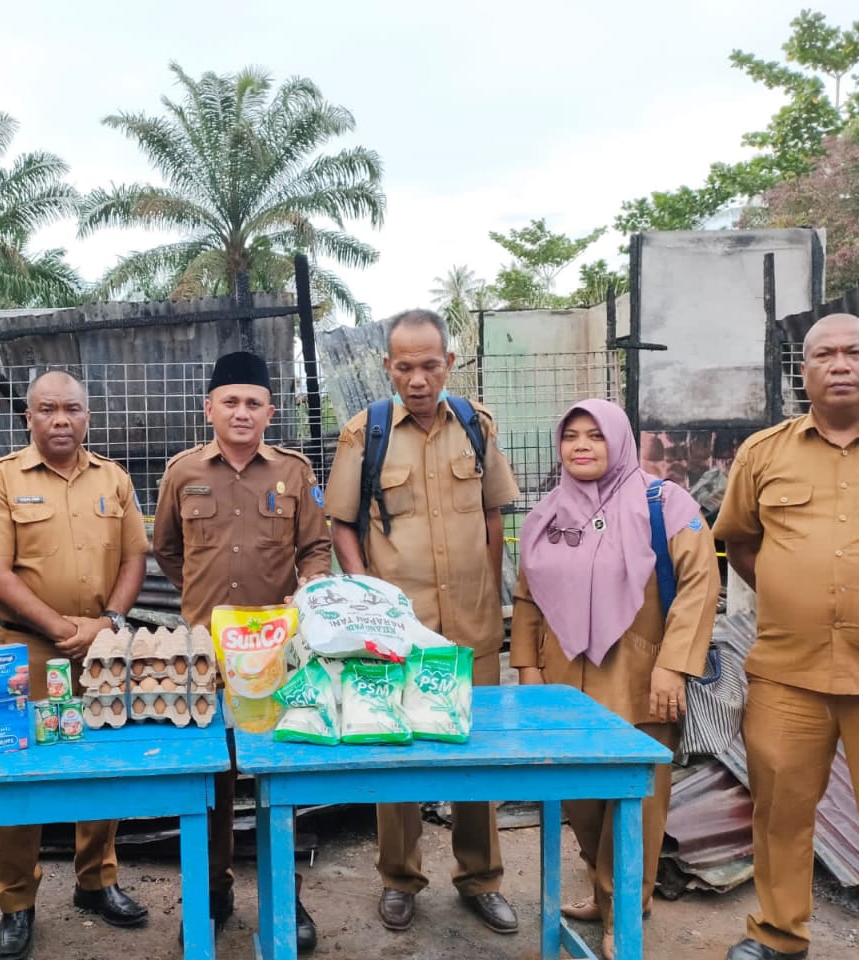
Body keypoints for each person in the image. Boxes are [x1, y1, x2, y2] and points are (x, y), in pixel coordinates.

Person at [322, 308, 521, 936]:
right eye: (404, 366)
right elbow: (341, 525)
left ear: (449, 363)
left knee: (475, 753)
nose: (417, 377)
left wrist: (490, 589)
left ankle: (480, 879)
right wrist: (366, 599)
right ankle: (399, 880)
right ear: (388, 367)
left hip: (472, 624)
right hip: (395, 633)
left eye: (429, 364)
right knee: (395, 753)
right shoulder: (365, 432)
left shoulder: (475, 425)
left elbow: (494, 515)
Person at [511, 399, 719, 960]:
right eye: (571, 436)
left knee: (637, 800)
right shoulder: (547, 514)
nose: (582, 446)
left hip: (641, 676)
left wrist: (674, 665)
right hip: (564, 683)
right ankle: (606, 893)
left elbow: (701, 583)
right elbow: (527, 596)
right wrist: (529, 668)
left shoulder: (665, 503)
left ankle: (624, 906)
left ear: (619, 442)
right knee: (580, 798)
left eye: (595, 436)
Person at [153, 350, 333, 952]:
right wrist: (205, 606)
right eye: (230, 401)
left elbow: (316, 547)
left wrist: (307, 583)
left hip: (279, 651)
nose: (241, 412)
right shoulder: (182, 473)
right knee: (214, 773)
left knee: (282, 769)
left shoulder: (293, 472)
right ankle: (213, 888)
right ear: (209, 408)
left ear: (269, 411)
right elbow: (169, 551)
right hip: (206, 651)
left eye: (253, 402)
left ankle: (287, 889)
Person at [0, 369, 150, 960]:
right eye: (48, 409)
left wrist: (109, 622)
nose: (61, 419)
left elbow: (132, 559)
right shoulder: (0, 481)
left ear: (87, 415)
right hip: (26, 652)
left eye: (72, 408)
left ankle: (96, 881)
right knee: (19, 774)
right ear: (29, 417)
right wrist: (61, 629)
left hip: (100, 649)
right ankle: (17, 902)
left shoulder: (114, 480)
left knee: (100, 766)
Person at [713, 312, 859, 960]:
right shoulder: (764, 452)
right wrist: (787, 586)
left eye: (855, 352)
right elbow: (741, 542)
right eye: (825, 354)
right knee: (780, 811)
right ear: (805, 372)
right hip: (787, 671)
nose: (842, 364)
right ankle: (780, 936)